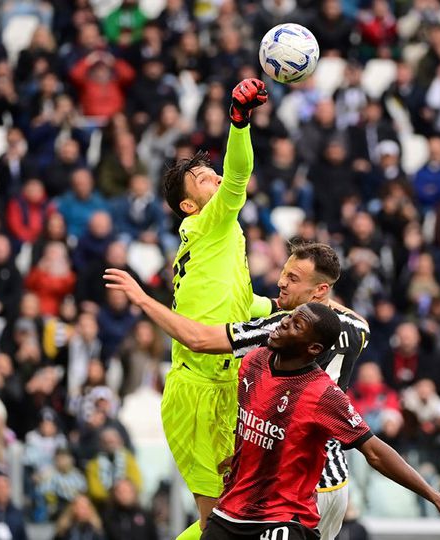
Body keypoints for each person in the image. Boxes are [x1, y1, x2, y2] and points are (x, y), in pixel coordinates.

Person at [106, 241, 370, 539]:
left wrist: (142, 300)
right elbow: (337, 313)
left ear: (320, 290)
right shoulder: (358, 327)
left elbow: (200, 340)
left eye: (293, 278)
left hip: (293, 488)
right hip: (334, 481)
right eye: (284, 272)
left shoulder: (281, 331)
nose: (281, 281)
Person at [192, 302, 440, 539]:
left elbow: (375, 452)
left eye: (296, 324)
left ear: (314, 349)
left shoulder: (322, 393)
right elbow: (255, 420)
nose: (283, 322)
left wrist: (436, 497)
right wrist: (244, 455)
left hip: (282, 519)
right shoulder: (255, 361)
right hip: (231, 511)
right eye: (290, 317)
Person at [149, 76, 268, 536]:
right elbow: (239, 174)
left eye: (212, 173)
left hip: (222, 386)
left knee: (236, 519)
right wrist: (239, 122)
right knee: (218, 524)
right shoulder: (212, 224)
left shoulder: (215, 237)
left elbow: (236, 299)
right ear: (188, 205)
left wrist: (274, 306)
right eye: (203, 179)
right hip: (198, 391)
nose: (216, 179)